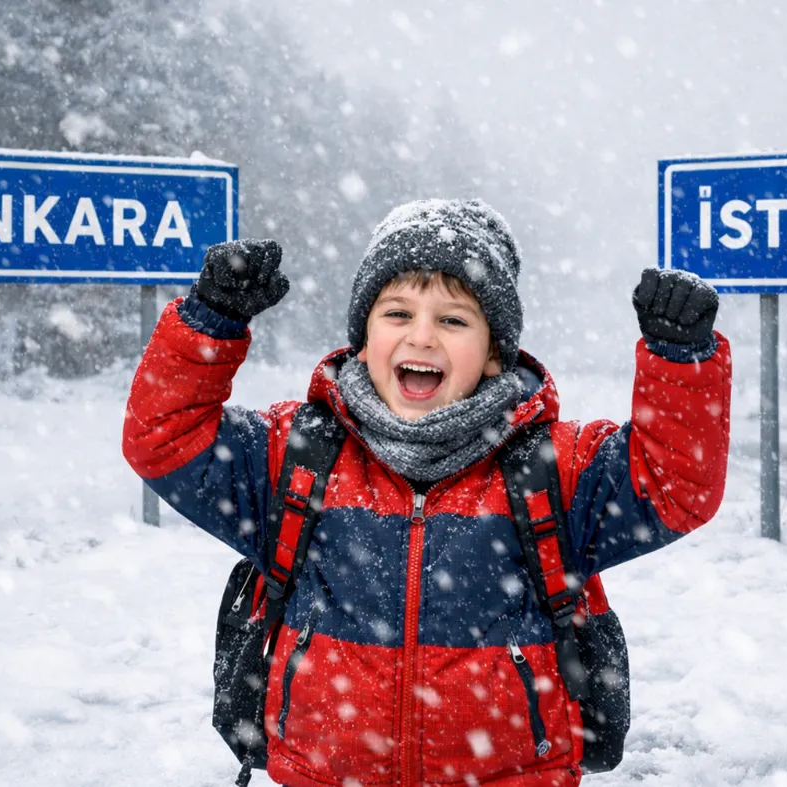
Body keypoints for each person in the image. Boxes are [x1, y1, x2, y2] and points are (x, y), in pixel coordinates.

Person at [123, 198, 731, 786]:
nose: (421, 337)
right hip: (324, 775)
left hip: (511, 776)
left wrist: (680, 359)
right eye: (396, 313)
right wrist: (209, 324)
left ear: (495, 355)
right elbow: (163, 439)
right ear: (363, 338)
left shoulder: (552, 467)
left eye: (453, 319)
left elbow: (674, 486)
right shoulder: (297, 455)